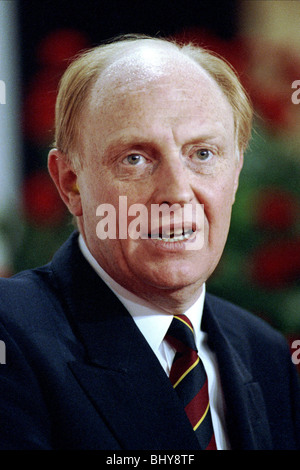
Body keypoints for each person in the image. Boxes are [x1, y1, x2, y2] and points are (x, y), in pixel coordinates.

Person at [0, 34, 299, 450]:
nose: (177, 191)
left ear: (236, 173)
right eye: (135, 158)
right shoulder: (11, 335)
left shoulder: (264, 353)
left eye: (203, 154)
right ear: (70, 183)